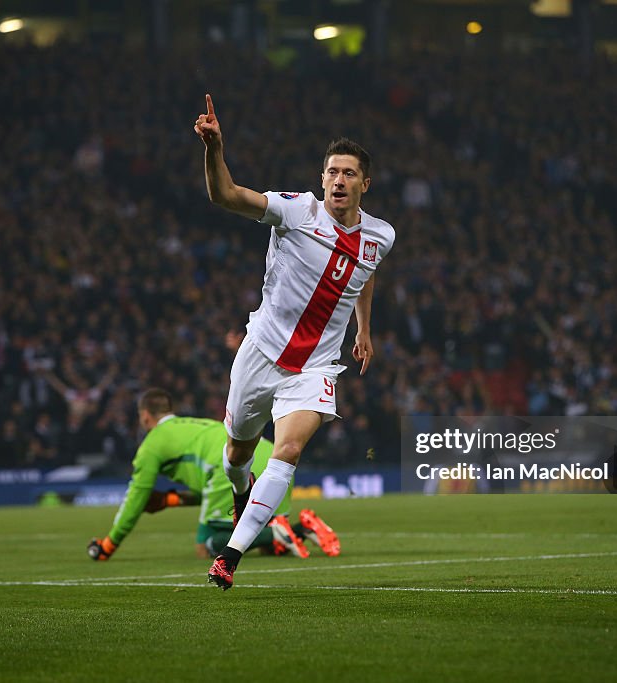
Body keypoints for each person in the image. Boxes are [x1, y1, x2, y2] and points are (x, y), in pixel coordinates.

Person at [193, 94, 393, 589]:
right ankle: (242, 495)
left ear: (365, 183)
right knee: (238, 453)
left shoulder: (381, 236)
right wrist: (214, 149)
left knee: (287, 452)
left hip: (315, 366)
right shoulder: (297, 211)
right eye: (331, 172)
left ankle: (230, 557)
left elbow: (365, 273)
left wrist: (364, 327)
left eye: (348, 173)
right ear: (321, 179)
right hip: (260, 351)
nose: (338, 180)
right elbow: (226, 196)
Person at [86, 388, 340, 561]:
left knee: (206, 547)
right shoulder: (197, 424)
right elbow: (201, 485)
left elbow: (135, 498)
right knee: (266, 546)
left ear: (144, 417)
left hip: (231, 468)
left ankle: (277, 532)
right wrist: (170, 501)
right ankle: (301, 528)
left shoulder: (153, 443)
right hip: (271, 457)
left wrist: (109, 545)